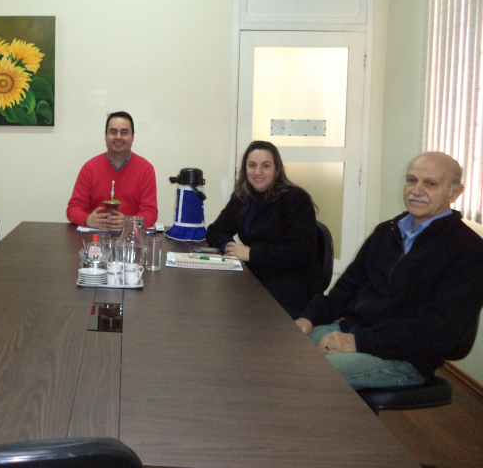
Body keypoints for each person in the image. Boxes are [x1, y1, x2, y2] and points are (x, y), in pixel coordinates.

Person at [296, 151, 483, 390]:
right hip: (355, 331)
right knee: (285, 351)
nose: (417, 190)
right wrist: (308, 318)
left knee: (306, 376)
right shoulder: (387, 232)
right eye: (412, 180)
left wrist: (358, 342)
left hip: (406, 358)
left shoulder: (469, 251)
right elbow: (346, 289)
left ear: (454, 193)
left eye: (431, 184)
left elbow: (438, 332)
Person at [206, 141, 320, 319]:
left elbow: (300, 252)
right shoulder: (243, 197)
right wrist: (228, 246)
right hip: (255, 279)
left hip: (289, 289)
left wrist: (252, 254)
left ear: (276, 169)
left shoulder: (296, 199)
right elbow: (215, 230)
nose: (257, 172)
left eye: (265, 166)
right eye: (252, 165)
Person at [66, 111, 158, 231]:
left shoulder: (146, 169)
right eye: (113, 132)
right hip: (95, 239)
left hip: (130, 239)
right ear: (106, 136)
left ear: (133, 136)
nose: (118, 137)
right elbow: (73, 208)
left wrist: (128, 223)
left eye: (124, 132)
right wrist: (87, 219)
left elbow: (150, 212)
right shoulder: (89, 168)